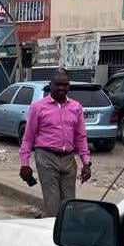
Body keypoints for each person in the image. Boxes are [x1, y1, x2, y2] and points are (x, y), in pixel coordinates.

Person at [19, 70, 91, 217]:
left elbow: (81, 137)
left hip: (69, 159)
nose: (61, 88)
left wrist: (86, 163)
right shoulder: (38, 107)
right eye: (58, 84)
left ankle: (66, 235)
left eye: (65, 85)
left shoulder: (76, 107)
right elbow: (28, 138)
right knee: (53, 204)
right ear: (50, 86)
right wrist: (24, 164)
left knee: (69, 204)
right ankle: (52, 234)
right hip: (46, 157)